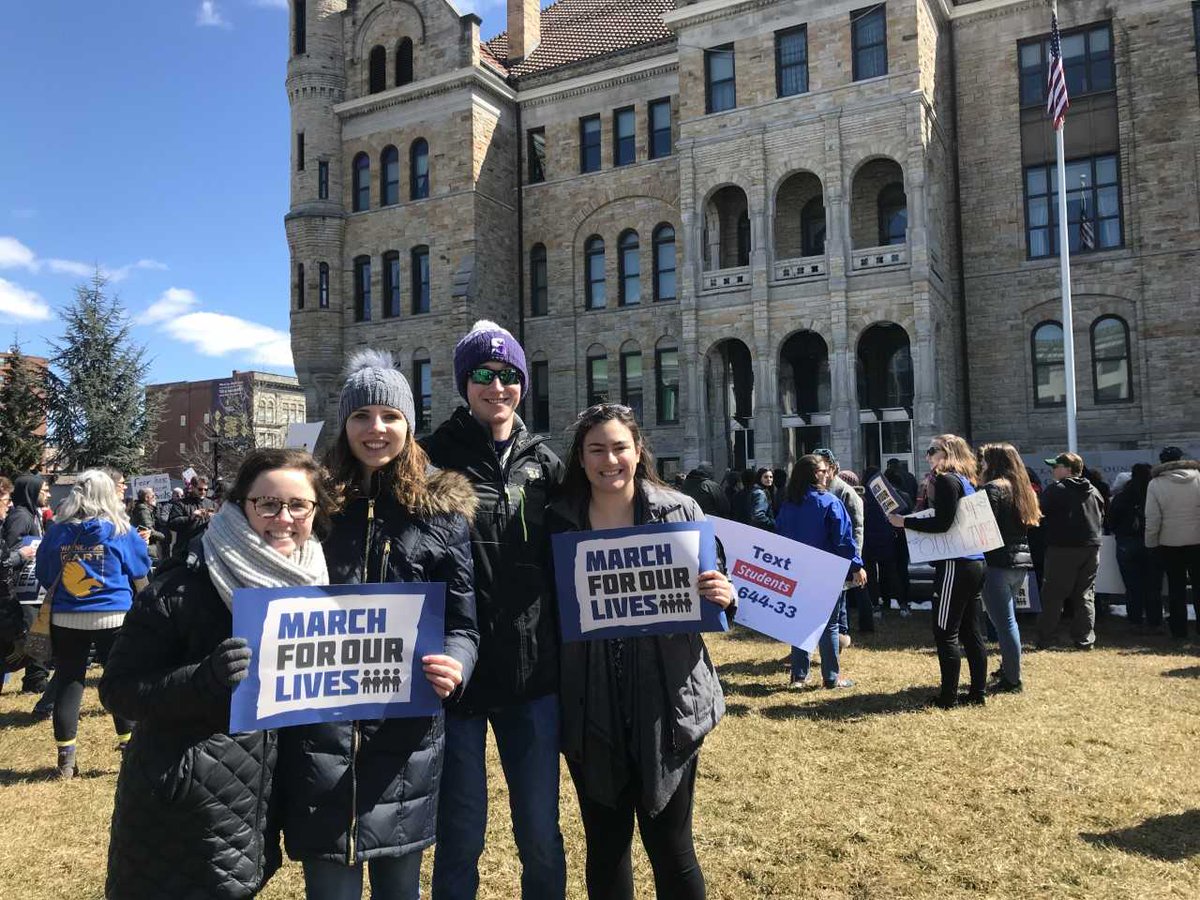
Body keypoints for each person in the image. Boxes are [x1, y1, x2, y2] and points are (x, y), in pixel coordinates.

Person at [277, 350, 479, 900]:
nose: (376, 428)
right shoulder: (311, 506)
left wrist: (456, 665)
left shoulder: (440, 512)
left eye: (390, 416)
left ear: (408, 424)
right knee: (330, 889)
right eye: (362, 415)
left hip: (403, 739)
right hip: (320, 734)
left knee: (399, 888)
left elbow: (464, 624)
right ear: (344, 424)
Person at [101, 448, 334, 898]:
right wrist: (202, 680)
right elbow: (119, 690)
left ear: (315, 511)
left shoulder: (315, 581)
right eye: (267, 504)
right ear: (240, 505)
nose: (283, 518)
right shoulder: (181, 585)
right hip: (181, 810)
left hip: (253, 803)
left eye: (298, 505)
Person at [546, 403, 733, 900]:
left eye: (619, 448)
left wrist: (723, 594)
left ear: (638, 450)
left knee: (672, 848)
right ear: (581, 458)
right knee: (606, 848)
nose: (609, 460)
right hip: (591, 703)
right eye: (596, 449)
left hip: (667, 702)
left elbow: (715, 586)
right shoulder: (557, 522)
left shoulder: (681, 512)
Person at [423, 320, 567, 900]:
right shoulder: (431, 458)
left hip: (532, 674)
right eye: (483, 373)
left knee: (540, 831)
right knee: (460, 833)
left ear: (523, 383)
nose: (497, 386)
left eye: (509, 375)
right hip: (458, 675)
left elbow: (603, 527)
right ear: (465, 383)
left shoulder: (546, 463)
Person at [33, 470, 151, 776]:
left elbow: (44, 573)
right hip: (114, 614)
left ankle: (66, 759)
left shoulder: (57, 531)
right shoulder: (119, 529)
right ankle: (129, 748)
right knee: (119, 680)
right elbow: (140, 569)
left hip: (66, 615)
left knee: (69, 681)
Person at [889, 434, 987, 708]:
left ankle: (948, 697)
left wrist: (905, 522)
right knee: (971, 631)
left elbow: (943, 523)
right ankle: (977, 693)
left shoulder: (946, 480)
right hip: (974, 561)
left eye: (932, 450)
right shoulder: (966, 480)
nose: (928, 456)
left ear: (947, 453)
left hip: (956, 562)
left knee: (946, 632)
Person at [779, 454, 863, 689]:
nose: (828, 475)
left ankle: (799, 677)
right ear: (815, 474)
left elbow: (780, 536)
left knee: (801, 622)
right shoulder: (829, 502)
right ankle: (831, 678)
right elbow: (843, 540)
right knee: (830, 625)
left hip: (796, 570)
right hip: (826, 571)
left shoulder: (789, 504)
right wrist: (856, 566)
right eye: (824, 471)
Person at [978, 443, 1040, 693]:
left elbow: (984, 526)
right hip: (1019, 563)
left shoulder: (992, 489)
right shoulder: (1022, 489)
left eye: (984, 461)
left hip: (997, 563)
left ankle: (1013, 679)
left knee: (1004, 623)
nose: (981, 465)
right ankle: (1009, 668)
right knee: (1008, 620)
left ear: (993, 463)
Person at [1034, 452, 1105, 650]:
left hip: (1062, 548)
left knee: (1053, 595)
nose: (1052, 470)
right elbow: (1102, 516)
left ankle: (1046, 637)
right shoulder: (1094, 490)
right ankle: (1085, 639)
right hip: (1091, 548)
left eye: (1056, 466)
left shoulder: (1056, 490)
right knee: (1085, 594)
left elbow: (1038, 513)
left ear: (1067, 469)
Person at [814, 449, 870, 637]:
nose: (818, 473)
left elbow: (857, 529)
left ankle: (840, 638)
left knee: (839, 604)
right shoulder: (817, 490)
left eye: (822, 468)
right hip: (821, 556)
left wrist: (855, 563)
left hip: (840, 556)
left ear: (831, 468)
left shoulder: (845, 492)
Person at [1145, 452, 1200, 640]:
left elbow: (1153, 518)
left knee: (1176, 589)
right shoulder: (1198, 477)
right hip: (1197, 540)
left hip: (1169, 543)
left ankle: (1179, 630)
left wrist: (1151, 543)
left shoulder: (1155, 483)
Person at [5, 474, 50, 695]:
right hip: (22, 589)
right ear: (31, 492)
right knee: (33, 634)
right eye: (44, 490)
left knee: (38, 632)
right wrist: (24, 554)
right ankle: (35, 680)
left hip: (32, 587)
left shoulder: (33, 515)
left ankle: (37, 677)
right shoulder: (21, 517)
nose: (48, 494)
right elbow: (9, 550)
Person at [1107, 463, 1157, 630]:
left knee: (1132, 586)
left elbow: (1111, 521)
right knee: (1152, 585)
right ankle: (1154, 620)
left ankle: (1135, 620)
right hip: (1151, 542)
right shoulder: (1152, 495)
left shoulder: (1122, 497)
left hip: (1126, 543)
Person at [167, 475, 215, 560]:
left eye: (205, 489)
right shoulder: (181, 504)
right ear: (192, 487)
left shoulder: (211, 503)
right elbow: (172, 523)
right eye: (200, 489)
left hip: (207, 549)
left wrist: (214, 518)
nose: (203, 492)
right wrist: (191, 517)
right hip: (185, 550)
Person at [130, 488, 167, 565]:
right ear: (146, 498)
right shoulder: (143, 510)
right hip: (147, 550)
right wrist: (164, 536)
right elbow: (148, 530)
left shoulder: (146, 509)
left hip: (146, 549)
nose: (155, 498)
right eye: (153, 496)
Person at [738, 467, 775, 531]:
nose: (769, 479)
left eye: (771, 477)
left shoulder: (757, 490)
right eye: (765, 477)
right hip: (762, 529)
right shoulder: (760, 493)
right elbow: (758, 515)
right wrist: (772, 522)